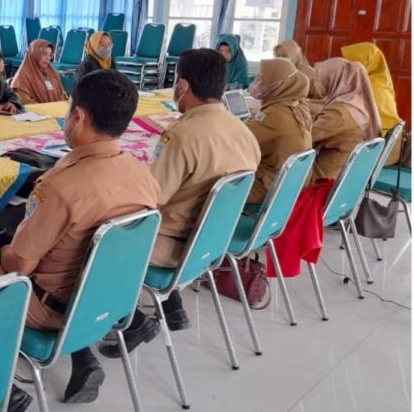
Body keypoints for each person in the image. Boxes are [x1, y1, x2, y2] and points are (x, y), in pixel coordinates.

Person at [0, 70, 160, 410]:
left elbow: (20, 266)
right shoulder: (142, 174)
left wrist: (6, 247)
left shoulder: (61, 186)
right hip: (106, 297)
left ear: (77, 116)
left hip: (48, 307)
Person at [101, 49, 260, 358]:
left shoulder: (182, 135)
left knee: (94, 237)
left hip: (173, 244)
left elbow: (150, 199)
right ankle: (171, 306)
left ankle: (130, 321)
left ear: (182, 86)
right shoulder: (245, 133)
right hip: (212, 242)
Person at [245, 58, 313, 204]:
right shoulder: (297, 105)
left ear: (277, 85)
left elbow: (241, 138)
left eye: (261, 80)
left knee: (211, 183)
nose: (256, 83)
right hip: (289, 184)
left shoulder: (276, 114)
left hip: (270, 186)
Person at [311, 58, 382, 182]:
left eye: (325, 80)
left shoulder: (339, 113)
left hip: (326, 176)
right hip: (348, 171)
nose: (321, 84)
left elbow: (307, 136)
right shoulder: (357, 104)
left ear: (336, 80)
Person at [341, 42, 403, 165]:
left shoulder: (371, 87)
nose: (345, 66)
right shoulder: (380, 81)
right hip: (385, 143)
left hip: (380, 150)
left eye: (350, 63)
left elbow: (346, 109)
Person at [10, 39, 67, 105]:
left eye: (50, 55)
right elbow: (26, 104)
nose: (48, 58)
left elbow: (63, 95)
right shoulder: (22, 78)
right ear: (34, 54)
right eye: (44, 54)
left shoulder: (52, 73)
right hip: (38, 113)